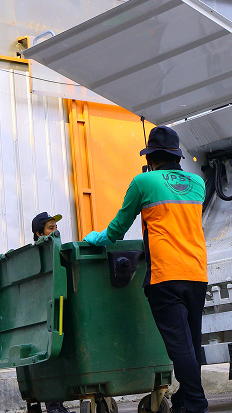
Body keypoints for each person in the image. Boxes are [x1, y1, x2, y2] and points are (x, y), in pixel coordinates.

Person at [84, 126, 209, 413]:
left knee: (179, 347)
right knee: (191, 344)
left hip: (165, 275)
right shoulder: (198, 183)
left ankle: (197, 403)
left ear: (150, 157)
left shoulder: (143, 182)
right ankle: (184, 399)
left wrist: (95, 238)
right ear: (177, 156)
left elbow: (117, 229)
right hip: (196, 272)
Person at [32, 212, 74, 413]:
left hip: (56, 309)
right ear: (39, 234)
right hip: (44, 314)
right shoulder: (38, 254)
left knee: (57, 355)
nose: (56, 232)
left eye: (56, 227)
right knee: (49, 356)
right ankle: (53, 406)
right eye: (50, 228)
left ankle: (57, 405)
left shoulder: (54, 251)